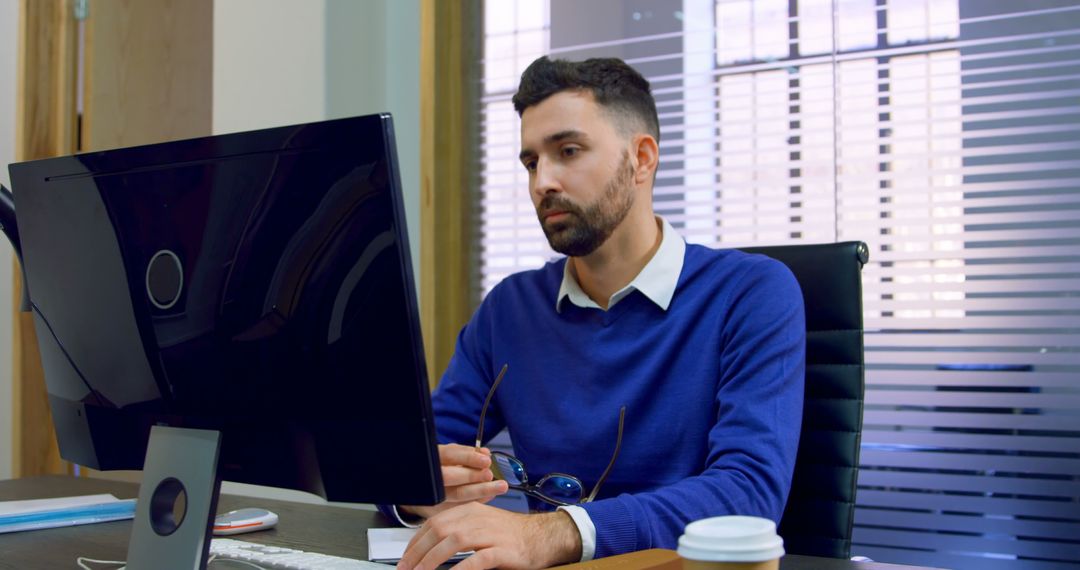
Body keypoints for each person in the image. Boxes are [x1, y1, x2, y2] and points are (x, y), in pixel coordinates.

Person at [390, 56, 805, 570]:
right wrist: (414, 488)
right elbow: (420, 455)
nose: (542, 182)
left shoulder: (751, 293)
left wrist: (552, 534)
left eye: (568, 151)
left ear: (643, 159)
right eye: (531, 162)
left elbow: (749, 491)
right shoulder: (510, 308)